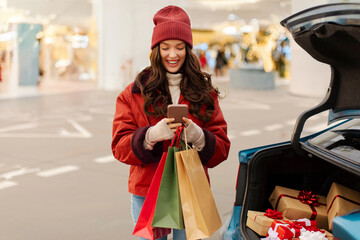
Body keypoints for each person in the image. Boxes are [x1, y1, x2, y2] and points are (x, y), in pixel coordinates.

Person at [112, 5, 230, 240]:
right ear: (156, 50)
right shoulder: (134, 93)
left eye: (179, 47)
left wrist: (198, 136)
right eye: (165, 47)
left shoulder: (204, 92)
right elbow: (119, 146)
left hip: (191, 188)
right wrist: (151, 136)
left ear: (188, 49)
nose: (172, 55)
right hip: (148, 190)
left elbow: (222, 148)